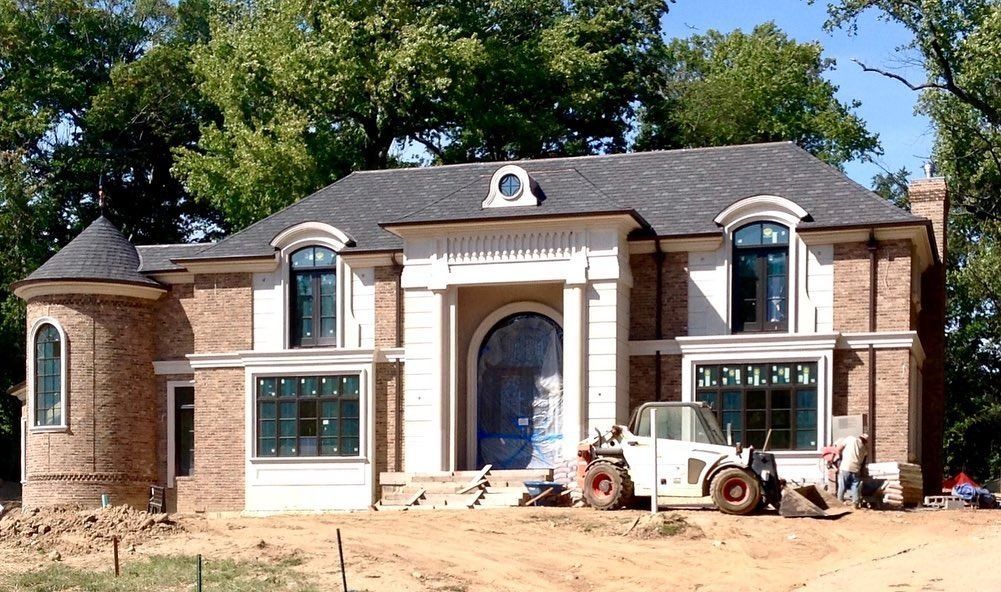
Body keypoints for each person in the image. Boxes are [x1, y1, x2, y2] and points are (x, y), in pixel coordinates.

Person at [834, 434, 868, 506]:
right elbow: (863, 463)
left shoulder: (850, 439)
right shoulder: (864, 448)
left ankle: (839, 501)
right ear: (865, 441)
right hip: (856, 469)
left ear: (859, 437)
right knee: (855, 486)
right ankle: (855, 503)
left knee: (842, 485)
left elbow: (838, 449)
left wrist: (838, 458)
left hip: (845, 467)